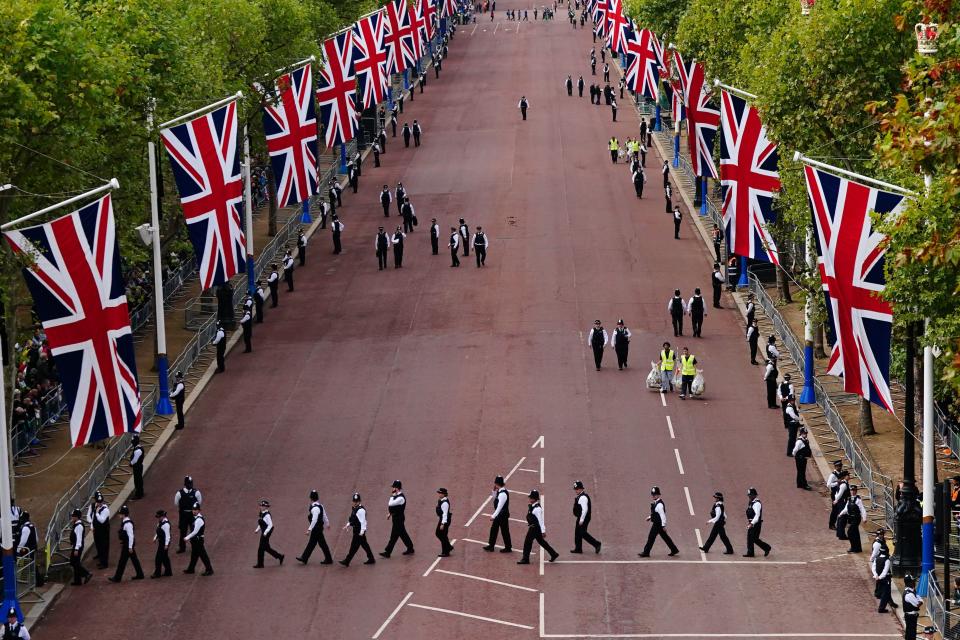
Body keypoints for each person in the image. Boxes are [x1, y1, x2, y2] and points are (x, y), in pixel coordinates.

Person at [518, 490, 558, 564]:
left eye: (530, 497)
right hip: (534, 528)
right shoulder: (533, 506)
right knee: (542, 542)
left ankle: (525, 559)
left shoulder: (537, 509)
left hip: (534, 528)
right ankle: (554, 554)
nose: (529, 499)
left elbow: (541, 521)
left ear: (534, 499)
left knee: (527, 542)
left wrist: (543, 531)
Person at [639, 486, 679, 557]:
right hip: (658, 524)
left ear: (658, 495)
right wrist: (650, 517)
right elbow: (655, 514)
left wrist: (663, 525)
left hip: (657, 524)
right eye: (653, 494)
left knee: (651, 537)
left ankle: (646, 552)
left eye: (655, 494)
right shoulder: (656, 503)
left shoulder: (659, 505)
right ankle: (674, 549)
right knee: (665, 537)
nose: (653, 496)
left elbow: (662, 515)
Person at [109, 505, 144, 582]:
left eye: (120, 513)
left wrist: (130, 547)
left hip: (127, 545)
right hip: (127, 544)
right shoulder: (125, 522)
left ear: (124, 514)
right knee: (134, 560)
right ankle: (140, 574)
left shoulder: (127, 524)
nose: (119, 515)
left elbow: (131, 536)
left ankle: (117, 578)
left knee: (122, 561)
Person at [298, 490, 333, 565]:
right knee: (317, 543)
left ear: (311, 498)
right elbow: (324, 515)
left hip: (316, 529)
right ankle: (305, 558)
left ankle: (304, 558)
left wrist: (309, 529)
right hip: (319, 528)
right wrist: (327, 524)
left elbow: (314, 520)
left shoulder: (314, 508)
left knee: (315, 543)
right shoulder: (320, 506)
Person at [381, 480, 415, 558]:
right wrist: (390, 514)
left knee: (394, 536)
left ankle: (388, 552)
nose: (392, 488)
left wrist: (392, 495)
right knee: (402, 534)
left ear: (396, 488)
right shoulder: (397, 497)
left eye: (393, 487)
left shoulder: (400, 498)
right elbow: (394, 508)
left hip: (399, 519)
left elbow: (390, 504)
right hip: (396, 518)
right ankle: (410, 548)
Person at [340, 493, 376, 566]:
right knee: (364, 545)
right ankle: (371, 558)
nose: (355, 502)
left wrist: (362, 531)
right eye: (354, 501)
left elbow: (363, 522)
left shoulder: (360, 510)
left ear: (359, 501)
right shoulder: (355, 509)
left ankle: (347, 561)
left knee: (354, 546)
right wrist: (348, 525)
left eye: (357, 501)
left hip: (359, 531)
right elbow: (353, 519)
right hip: (357, 530)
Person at [571, 480, 601, 554]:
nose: (576, 490)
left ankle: (596, 544)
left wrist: (581, 520)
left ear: (581, 489)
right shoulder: (580, 496)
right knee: (577, 532)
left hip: (584, 518)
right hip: (581, 517)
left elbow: (585, 510)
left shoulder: (583, 498)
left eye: (577, 489)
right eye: (575, 489)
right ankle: (578, 548)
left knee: (582, 533)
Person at [183, 505, 213, 576]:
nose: (194, 511)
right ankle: (191, 569)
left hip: (198, 540)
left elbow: (195, 531)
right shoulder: (194, 517)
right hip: (195, 540)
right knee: (194, 555)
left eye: (196, 510)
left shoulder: (199, 519)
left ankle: (209, 569)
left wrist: (187, 537)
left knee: (203, 555)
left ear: (199, 510)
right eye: (193, 509)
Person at [253, 499, 284, 568]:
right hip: (265, 532)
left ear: (266, 507)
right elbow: (261, 523)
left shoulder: (267, 515)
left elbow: (270, 525)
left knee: (261, 548)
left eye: (262, 506)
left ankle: (260, 564)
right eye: (261, 505)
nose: (261, 507)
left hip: (267, 532)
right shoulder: (262, 513)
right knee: (266, 548)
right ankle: (280, 556)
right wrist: (257, 530)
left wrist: (265, 533)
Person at [484, 475, 512, 552]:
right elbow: (495, 499)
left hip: (502, 515)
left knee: (504, 531)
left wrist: (493, 516)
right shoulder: (500, 492)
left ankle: (508, 547)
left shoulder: (503, 494)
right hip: (500, 515)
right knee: (494, 529)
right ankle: (491, 545)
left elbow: (499, 507)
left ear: (497, 483)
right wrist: (494, 491)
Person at [175, 475, 201, 553]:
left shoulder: (196, 492)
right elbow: (176, 503)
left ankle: (195, 546)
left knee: (194, 530)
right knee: (183, 531)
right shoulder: (179, 493)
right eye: (188, 483)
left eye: (191, 483)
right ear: (185, 484)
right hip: (183, 515)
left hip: (193, 515)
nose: (190, 485)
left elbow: (199, 502)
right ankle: (182, 547)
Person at [744, 487, 771, 557]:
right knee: (750, 538)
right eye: (748, 495)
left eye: (750, 495)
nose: (749, 496)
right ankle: (750, 553)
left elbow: (757, 515)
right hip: (752, 523)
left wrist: (752, 523)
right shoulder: (751, 503)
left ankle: (767, 547)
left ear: (754, 495)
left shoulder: (756, 504)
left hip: (756, 523)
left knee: (754, 538)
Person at [839, 484, 866, 553]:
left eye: (854, 490)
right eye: (851, 490)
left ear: (856, 491)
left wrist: (864, 518)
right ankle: (857, 548)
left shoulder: (858, 500)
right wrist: (841, 514)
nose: (852, 492)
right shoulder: (849, 499)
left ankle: (854, 547)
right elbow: (846, 509)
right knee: (855, 533)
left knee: (850, 532)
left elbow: (862, 509)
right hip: (851, 518)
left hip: (856, 518)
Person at [87, 492, 110, 569]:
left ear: (103, 502)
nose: (99, 504)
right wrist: (92, 526)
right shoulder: (95, 507)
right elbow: (92, 518)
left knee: (104, 547)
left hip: (104, 531)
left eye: (100, 502)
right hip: (97, 530)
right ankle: (101, 561)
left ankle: (104, 563)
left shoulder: (105, 509)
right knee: (99, 546)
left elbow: (102, 520)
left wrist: (97, 513)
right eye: (98, 502)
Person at [69, 509, 92, 585]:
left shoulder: (79, 526)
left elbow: (78, 538)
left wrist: (76, 549)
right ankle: (77, 581)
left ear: (76, 517)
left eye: (73, 516)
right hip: (76, 546)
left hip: (77, 547)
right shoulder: (77, 524)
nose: (72, 517)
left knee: (74, 562)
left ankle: (86, 574)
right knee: (75, 562)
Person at [872, 545, 894, 613]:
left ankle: (891, 602)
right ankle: (881, 608)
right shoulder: (887, 560)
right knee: (886, 593)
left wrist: (876, 576)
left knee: (883, 591)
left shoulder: (877, 558)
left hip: (878, 578)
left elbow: (873, 568)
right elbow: (885, 571)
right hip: (885, 579)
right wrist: (880, 577)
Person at [152, 509, 172, 578]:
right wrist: (155, 538)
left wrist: (166, 545)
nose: (158, 518)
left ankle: (157, 573)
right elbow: (158, 531)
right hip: (161, 542)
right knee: (164, 558)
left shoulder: (166, 525)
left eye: (159, 517)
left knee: (158, 558)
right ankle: (168, 571)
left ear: (163, 516)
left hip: (164, 543)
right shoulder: (160, 523)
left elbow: (167, 536)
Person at [902, 574, 923, 640]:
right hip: (910, 617)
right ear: (909, 583)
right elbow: (918, 603)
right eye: (913, 581)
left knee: (910, 633)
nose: (914, 582)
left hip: (912, 616)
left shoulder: (912, 591)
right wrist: (920, 602)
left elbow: (919, 599)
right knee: (911, 634)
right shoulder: (909, 594)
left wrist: (920, 601)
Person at [435, 488, 453, 557]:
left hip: (444, 520)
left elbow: (445, 514)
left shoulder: (445, 503)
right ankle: (448, 547)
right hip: (443, 519)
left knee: (440, 534)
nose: (438, 494)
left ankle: (446, 551)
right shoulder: (441, 500)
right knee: (442, 535)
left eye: (440, 493)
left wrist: (442, 524)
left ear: (443, 494)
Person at [826, 461, 844, 529]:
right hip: (834, 493)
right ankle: (831, 524)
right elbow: (828, 485)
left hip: (840, 493)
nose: (840, 467)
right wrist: (837, 483)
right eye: (838, 466)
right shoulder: (833, 475)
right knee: (835, 510)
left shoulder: (841, 473)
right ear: (835, 467)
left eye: (840, 466)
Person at [130, 433, 144, 499]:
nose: (132, 443)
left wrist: (131, 463)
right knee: (139, 479)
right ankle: (140, 492)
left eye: (133, 442)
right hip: (138, 466)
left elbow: (135, 460)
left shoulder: (138, 450)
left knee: (137, 480)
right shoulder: (138, 448)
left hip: (137, 467)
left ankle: (139, 494)